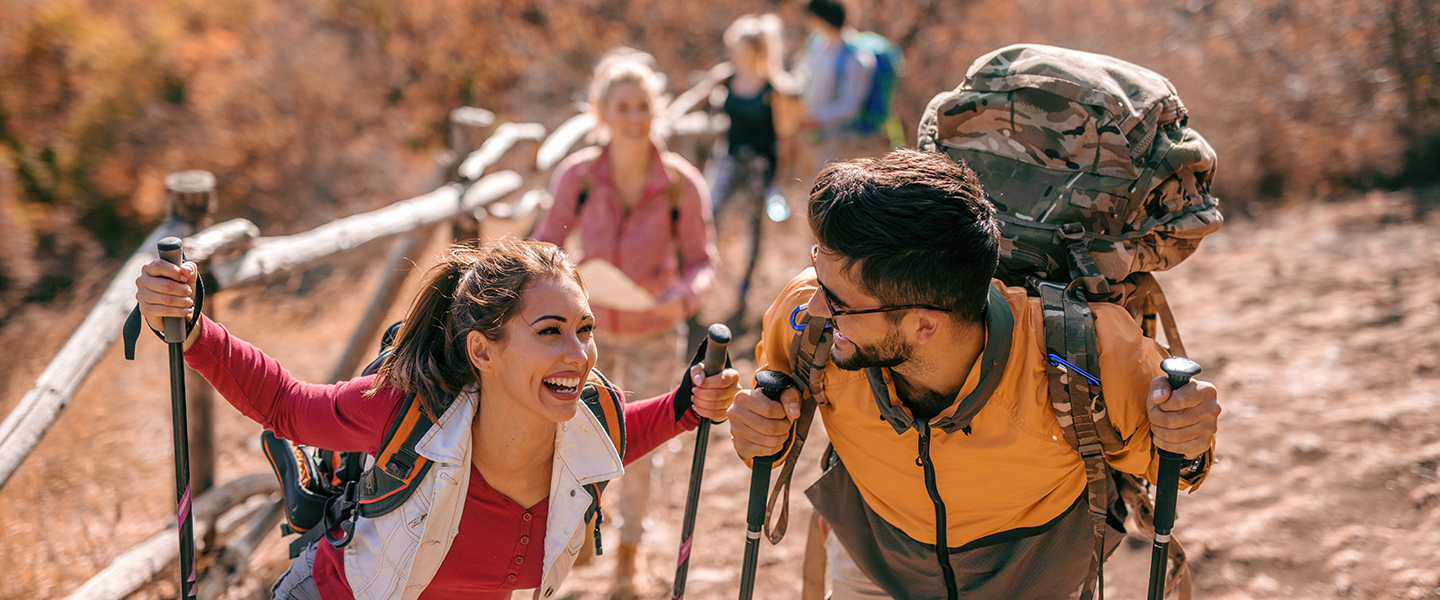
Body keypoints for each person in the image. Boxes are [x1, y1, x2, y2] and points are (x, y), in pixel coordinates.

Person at [726, 149, 1221, 598]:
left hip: (1033, 582)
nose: (815, 306)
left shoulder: (1091, 350)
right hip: (873, 566)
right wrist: (759, 433)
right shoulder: (810, 321)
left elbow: (1174, 465)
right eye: (818, 272)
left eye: (837, 300)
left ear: (925, 325)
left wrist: (1190, 437)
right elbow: (773, 421)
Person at [134, 238, 739, 600]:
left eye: (585, 330)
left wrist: (688, 407)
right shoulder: (406, 409)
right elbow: (286, 403)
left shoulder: (589, 423)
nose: (578, 357)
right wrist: (189, 328)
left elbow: (623, 436)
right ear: (483, 351)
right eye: (550, 332)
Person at [531, 48, 718, 598]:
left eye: (643, 105)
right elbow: (544, 246)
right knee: (568, 438)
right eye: (622, 106)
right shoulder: (579, 177)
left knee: (640, 446)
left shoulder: (682, 184)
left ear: (656, 109)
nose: (634, 116)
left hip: (657, 335)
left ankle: (630, 555)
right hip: (582, 339)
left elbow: (703, 262)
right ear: (601, 112)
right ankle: (586, 533)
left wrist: (681, 299)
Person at [797, 0, 887, 166]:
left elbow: (851, 105)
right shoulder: (817, 44)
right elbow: (805, 79)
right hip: (815, 135)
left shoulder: (857, 57)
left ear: (821, 18)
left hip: (841, 141)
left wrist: (817, 118)